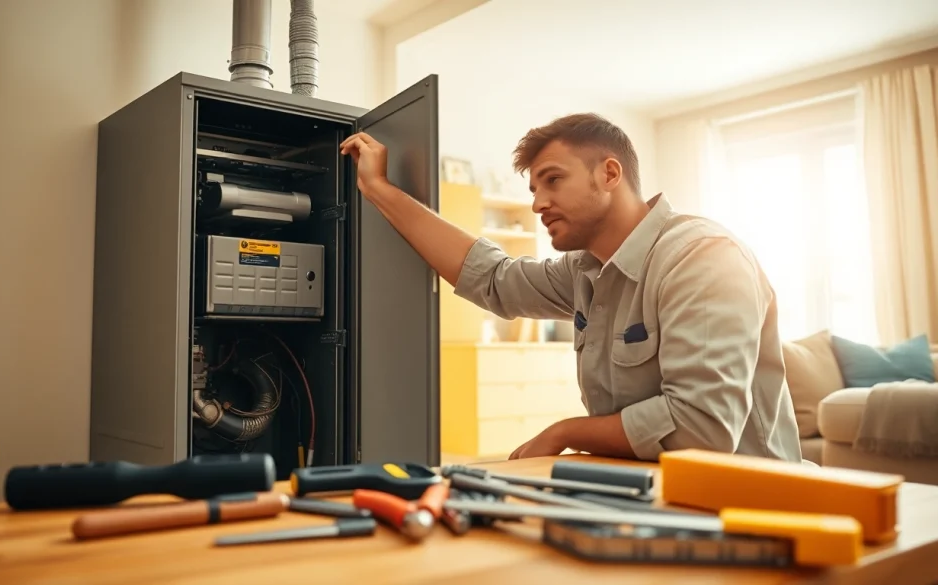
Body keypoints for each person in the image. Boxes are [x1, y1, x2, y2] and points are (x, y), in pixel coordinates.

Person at [339, 113, 802, 463]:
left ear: (609, 174)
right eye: (534, 188)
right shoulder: (583, 270)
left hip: (748, 507)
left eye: (553, 180)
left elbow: (703, 429)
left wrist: (567, 432)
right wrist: (378, 188)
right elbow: (493, 278)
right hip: (654, 496)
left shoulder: (702, 258)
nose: (539, 203)